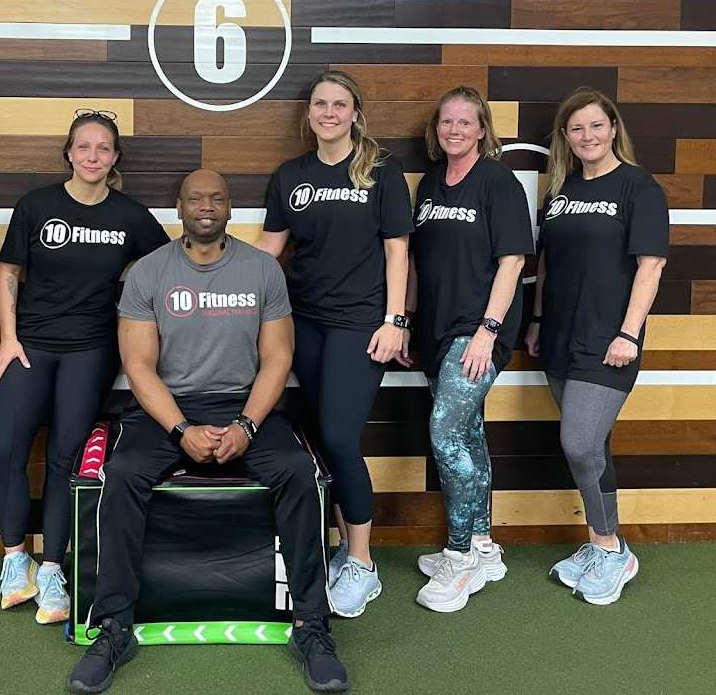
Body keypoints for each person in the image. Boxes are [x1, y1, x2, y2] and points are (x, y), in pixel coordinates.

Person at [67, 170, 348, 695]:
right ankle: (113, 627)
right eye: (195, 198)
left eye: (217, 198)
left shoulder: (262, 269)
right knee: (122, 473)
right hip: (168, 409)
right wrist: (180, 430)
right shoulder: (149, 272)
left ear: (229, 208)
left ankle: (311, 625)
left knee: (296, 471)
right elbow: (138, 365)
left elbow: (278, 357)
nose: (206, 206)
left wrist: (246, 424)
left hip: (245, 405)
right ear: (179, 207)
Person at [0, 109, 169, 622]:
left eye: (103, 148)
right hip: (29, 344)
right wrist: (8, 339)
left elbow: (168, 267)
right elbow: (8, 272)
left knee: (66, 457)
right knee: (4, 450)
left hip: (91, 349)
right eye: (84, 146)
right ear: (68, 153)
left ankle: (52, 568)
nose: (93, 156)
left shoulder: (130, 215)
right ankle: (15, 559)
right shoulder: (37, 205)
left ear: (115, 158)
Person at [255, 70, 412, 618]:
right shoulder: (291, 175)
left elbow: (397, 250)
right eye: (320, 104)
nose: (329, 113)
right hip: (304, 322)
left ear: (355, 113)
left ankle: (363, 564)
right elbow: (269, 247)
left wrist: (395, 320)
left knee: (342, 438)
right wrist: (210, 270)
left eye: (339, 104)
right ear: (309, 113)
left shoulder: (382, 170)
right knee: (322, 437)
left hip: (361, 324)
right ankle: (346, 546)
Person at [526, 87, 668, 606]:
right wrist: (537, 319)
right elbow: (546, 264)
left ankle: (612, 550)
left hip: (608, 341)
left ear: (613, 129)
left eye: (596, 125)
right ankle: (599, 542)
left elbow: (651, 265)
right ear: (566, 137)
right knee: (593, 446)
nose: (587, 136)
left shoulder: (638, 186)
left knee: (580, 443)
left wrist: (629, 333)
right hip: (559, 334)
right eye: (576, 128)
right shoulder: (561, 191)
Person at [404, 86, 534, 612]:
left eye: (465, 121)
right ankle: (482, 544)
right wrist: (407, 320)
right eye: (446, 121)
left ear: (482, 129)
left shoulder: (498, 182)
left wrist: (487, 331)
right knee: (469, 434)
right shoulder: (431, 183)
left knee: (446, 432)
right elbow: (418, 260)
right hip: (435, 330)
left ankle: (459, 559)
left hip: (478, 332)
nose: (454, 130)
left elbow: (513, 262)